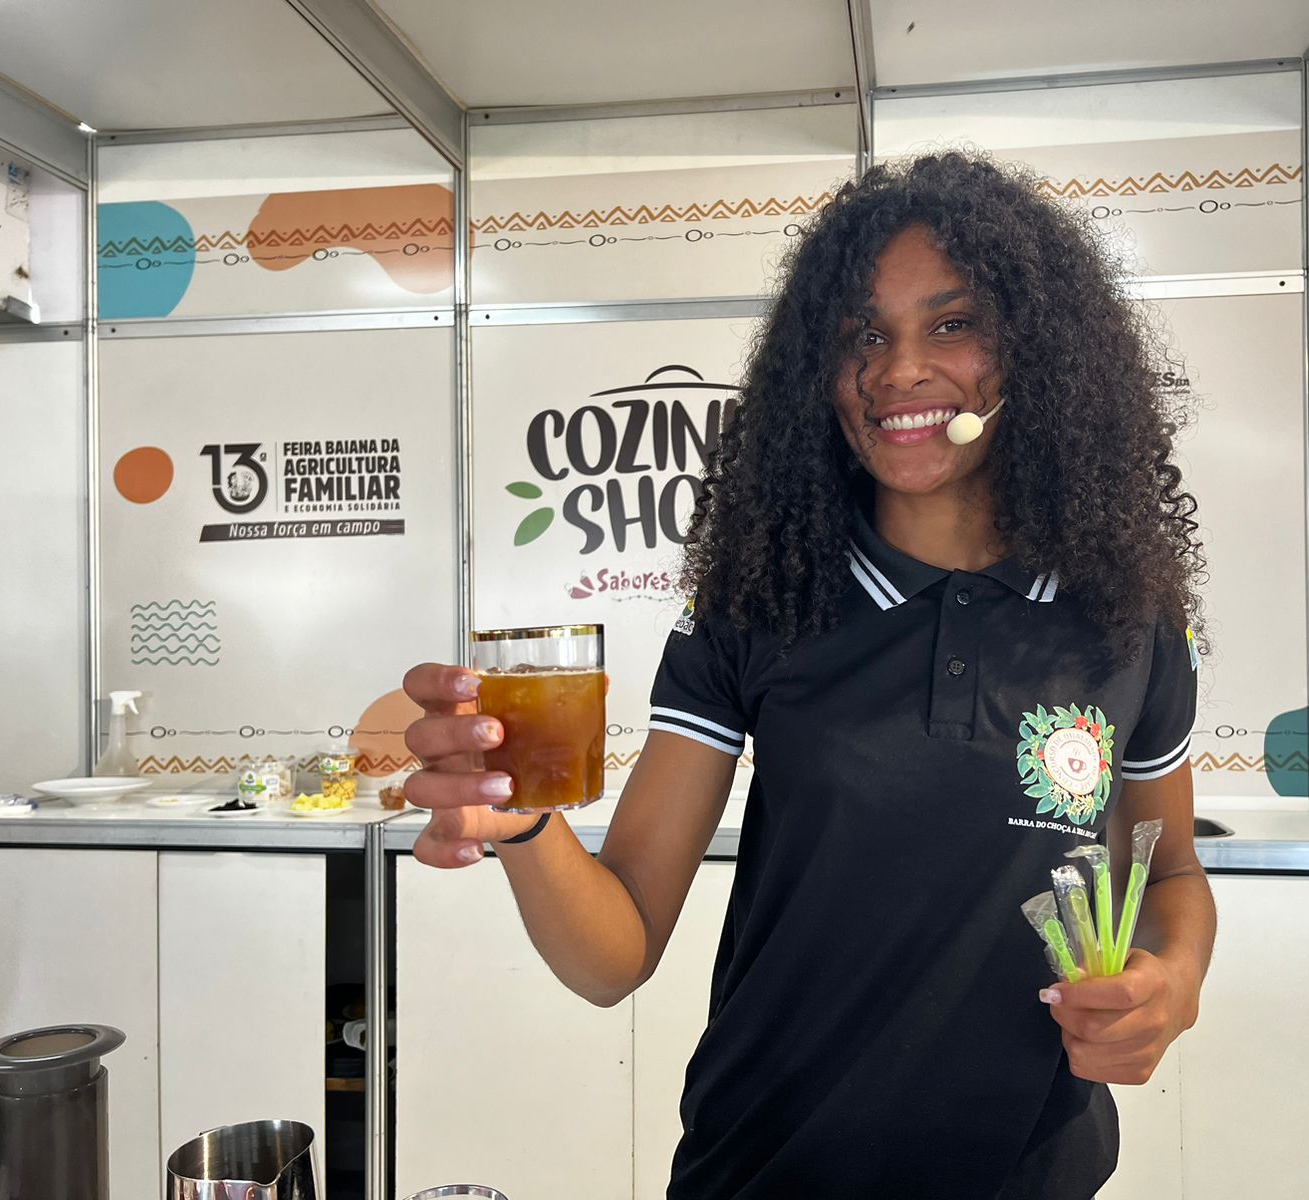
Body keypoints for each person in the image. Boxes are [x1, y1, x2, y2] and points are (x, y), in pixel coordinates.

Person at [402, 151, 1216, 1199]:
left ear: (1036, 353)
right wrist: (524, 826)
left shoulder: (1126, 619)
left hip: (1030, 1173)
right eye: (862, 336)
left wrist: (1173, 983)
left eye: (953, 325)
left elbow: (1169, 872)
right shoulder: (756, 606)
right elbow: (615, 954)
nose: (899, 370)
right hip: (765, 1168)